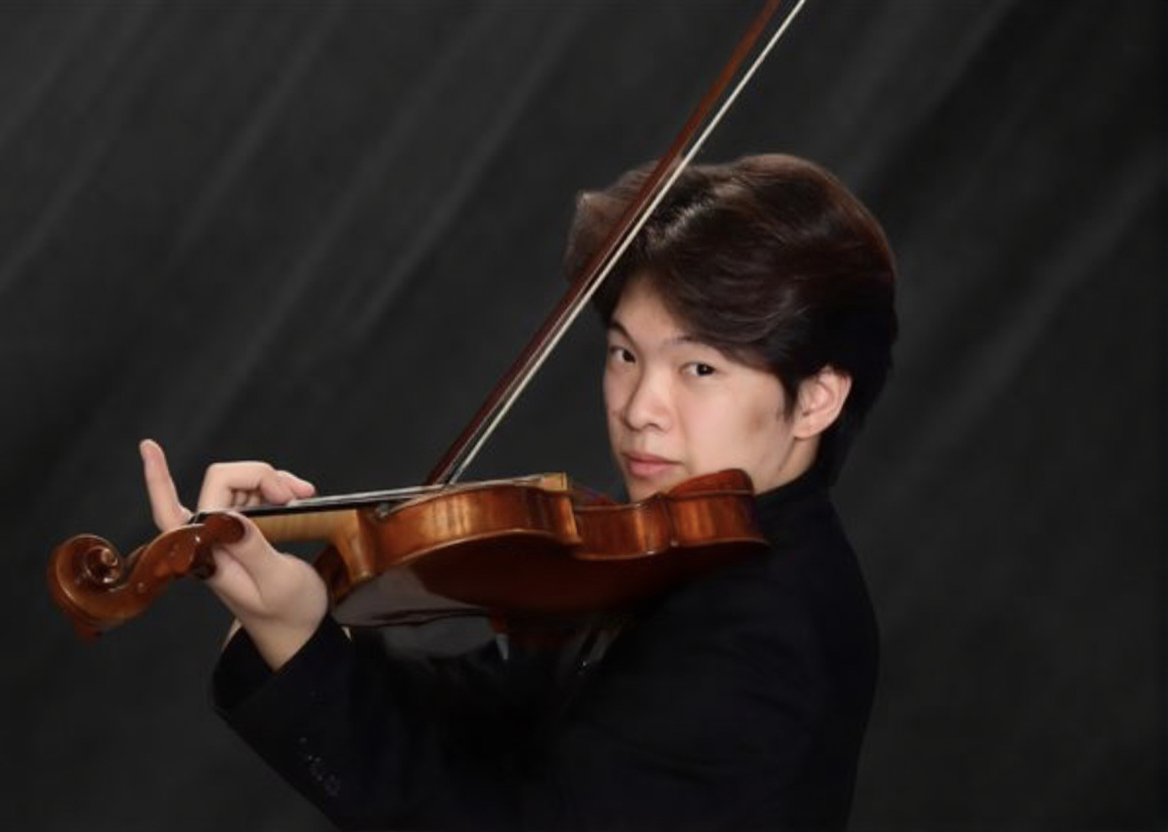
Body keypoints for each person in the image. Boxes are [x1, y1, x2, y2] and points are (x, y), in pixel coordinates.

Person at [140, 152, 897, 830]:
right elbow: (488, 720)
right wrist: (291, 624)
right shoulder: (682, 556)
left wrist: (302, 652)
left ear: (817, 400)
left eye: (699, 369)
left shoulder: (764, 635)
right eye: (625, 355)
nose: (639, 408)